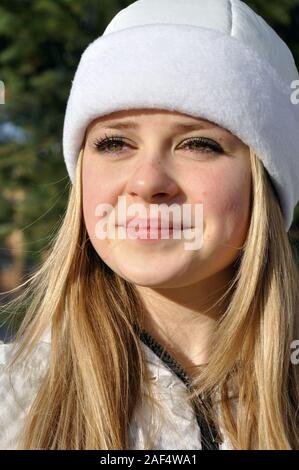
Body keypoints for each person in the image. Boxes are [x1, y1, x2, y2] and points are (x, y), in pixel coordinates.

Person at [1, 0, 299, 450]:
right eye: (116, 143)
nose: (147, 181)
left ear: (266, 182)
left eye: (198, 144)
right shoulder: (12, 402)